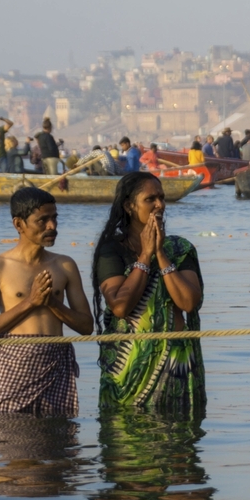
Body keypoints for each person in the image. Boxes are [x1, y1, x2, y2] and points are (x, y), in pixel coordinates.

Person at [0, 187, 94, 415]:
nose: (52, 226)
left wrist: (52, 304)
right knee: (13, 431)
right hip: (16, 365)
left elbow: (87, 326)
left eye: (55, 218)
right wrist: (30, 302)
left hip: (57, 363)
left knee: (60, 433)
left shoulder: (65, 265)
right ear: (19, 224)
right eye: (42, 220)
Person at [92, 172, 205, 412]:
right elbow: (120, 306)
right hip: (128, 367)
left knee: (179, 432)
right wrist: (145, 256)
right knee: (124, 431)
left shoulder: (179, 249)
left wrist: (160, 254)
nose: (160, 205)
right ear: (129, 206)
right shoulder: (112, 250)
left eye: (162, 198)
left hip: (176, 365)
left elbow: (188, 302)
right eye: (150, 199)